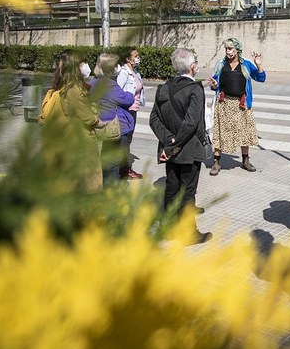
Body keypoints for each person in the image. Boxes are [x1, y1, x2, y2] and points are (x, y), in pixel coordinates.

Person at [149, 48, 212, 243]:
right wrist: (174, 144)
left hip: (170, 152)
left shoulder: (164, 87)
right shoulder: (195, 90)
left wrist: (168, 141)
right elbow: (192, 123)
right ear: (192, 67)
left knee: (171, 189)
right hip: (189, 150)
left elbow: (154, 119)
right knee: (187, 192)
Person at [46, 49, 107, 194]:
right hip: (80, 139)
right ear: (76, 66)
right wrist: (99, 122)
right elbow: (86, 116)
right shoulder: (73, 88)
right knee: (85, 182)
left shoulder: (64, 84)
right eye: (83, 63)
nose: (86, 66)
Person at [207, 37, 266, 175]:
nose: (228, 52)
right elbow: (215, 82)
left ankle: (245, 160)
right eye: (227, 49)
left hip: (242, 104)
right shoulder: (221, 64)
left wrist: (258, 65)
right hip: (224, 103)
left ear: (237, 50)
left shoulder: (246, 64)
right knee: (221, 132)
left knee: (243, 132)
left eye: (231, 49)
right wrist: (215, 85)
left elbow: (261, 78)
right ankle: (216, 161)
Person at [91, 53, 135, 182]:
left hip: (101, 125)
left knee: (105, 159)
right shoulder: (110, 85)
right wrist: (129, 90)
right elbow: (128, 100)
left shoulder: (93, 82)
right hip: (115, 128)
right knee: (114, 164)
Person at [117, 47, 145, 179]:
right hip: (127, 110)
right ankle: (124, 169)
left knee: (128, 140)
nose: (138, 57)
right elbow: (118, 91)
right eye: (135, 55)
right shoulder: (124, 73)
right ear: (128, 59)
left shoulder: (134, 72)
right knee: (125, 141)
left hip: (134, 109)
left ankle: (124, 167)